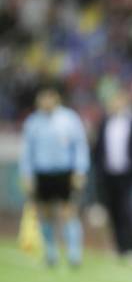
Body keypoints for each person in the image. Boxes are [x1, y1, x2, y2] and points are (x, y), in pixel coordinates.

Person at [19, 85, 90, 268]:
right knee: (45, 214)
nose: (45, 102)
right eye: (42, 98)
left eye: (48, 98)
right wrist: (26, 174)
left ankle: (74, 253)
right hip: (42, 172)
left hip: (64, 172)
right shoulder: (33, 122)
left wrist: (80, 170)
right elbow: (27, 152)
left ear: (55, 98)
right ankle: (51, 252)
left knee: (68, 212)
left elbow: (80, 145)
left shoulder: (69, 119)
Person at [92, 90, 132, 260]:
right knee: (113, 211)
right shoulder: (105, 123)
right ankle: (119, 248)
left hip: (127, 175)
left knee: (127, 210)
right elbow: (98, 148)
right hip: (109, 174)